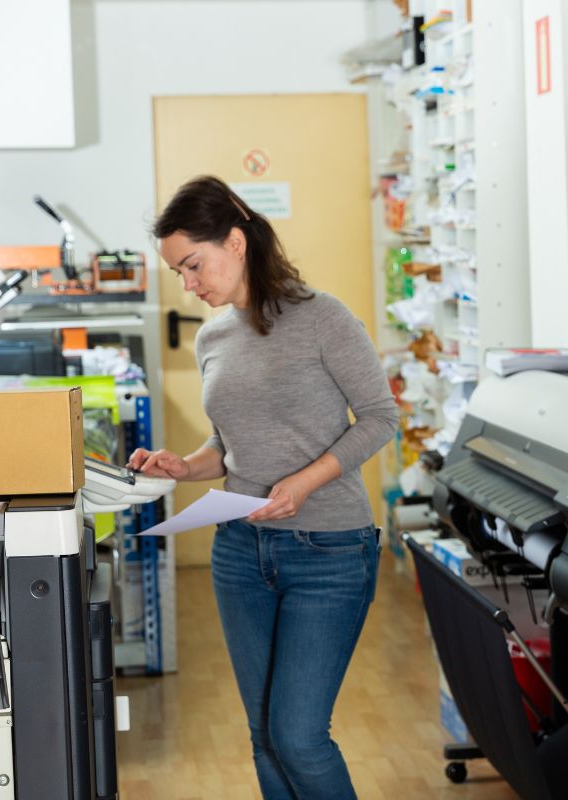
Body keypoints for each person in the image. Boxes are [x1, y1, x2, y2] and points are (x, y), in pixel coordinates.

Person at [128, 175, 397, 799]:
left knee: (299, 734)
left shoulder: (325, 319)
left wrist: (304, 481)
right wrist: (182, 466)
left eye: (193, 265)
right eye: (179, 274)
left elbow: (382, 418)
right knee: (264, 735)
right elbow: (228, 447)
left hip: (329, 550)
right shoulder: (212, 337)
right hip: (241, 554)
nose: (190, 285)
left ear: (236, 241)